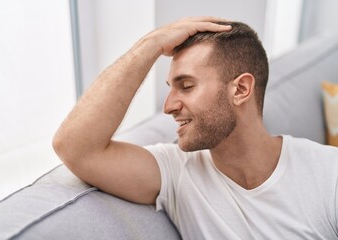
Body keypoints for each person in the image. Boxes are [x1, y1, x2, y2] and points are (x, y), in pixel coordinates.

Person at [53, 17, 338, 239]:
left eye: (186, 86)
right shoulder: (176, 173)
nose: (168, 107)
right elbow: (75, 147)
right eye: (170, 88)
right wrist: (151, 44)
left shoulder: (328, 175)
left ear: (240, 89)